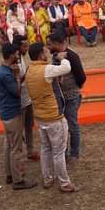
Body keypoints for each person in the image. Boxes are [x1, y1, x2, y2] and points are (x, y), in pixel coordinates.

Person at [24, 41, 77, 193]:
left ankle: (47, 179)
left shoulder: (30, 69)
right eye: (45, 52)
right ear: (40, 55)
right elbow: (67, 68)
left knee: (46, 148)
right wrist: (61, 57)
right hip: (53, 116)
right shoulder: (46, 69)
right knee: (58, 151)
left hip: (40, 116)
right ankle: (64, 183)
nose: (47, 53)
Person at [0, 43, 37, 190]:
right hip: (12, 113)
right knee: (16, 148)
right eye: (17, 54)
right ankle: (18, 180)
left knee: (9, 144)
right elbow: (17, 92)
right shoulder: (6, 74)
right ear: (11, 55)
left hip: (5, 113)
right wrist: (17, 77)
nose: (18, 57)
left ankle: (10, 174)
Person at [49, 32, 87, 160]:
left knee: (72, 125)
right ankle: (63, 152)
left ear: (58, 43)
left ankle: (74, 153)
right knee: (61, 127)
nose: (49, 47)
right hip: (60, 97)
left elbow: (81, 76)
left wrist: (75, 88)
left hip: (71, 96)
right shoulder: (54, 56)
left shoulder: (72, 56)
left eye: (51, 44)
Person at [14, 35, 38, 161]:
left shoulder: (22, 57)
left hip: (27, 98)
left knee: (29, 126)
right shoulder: (14, 62)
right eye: (25, 46)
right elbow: (16, 82)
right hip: (20, 101)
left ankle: (30, 150)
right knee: (19, 129)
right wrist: (27, 74)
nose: (27, 48)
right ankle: (20, 153)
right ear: (18, 47)